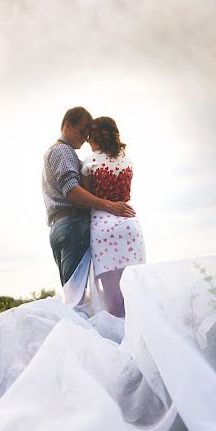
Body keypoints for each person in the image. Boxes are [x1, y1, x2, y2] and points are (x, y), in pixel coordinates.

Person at [41, 107, 135, 290]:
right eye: (82, 131)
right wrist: (108, 205)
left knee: (71, 291)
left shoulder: (52, 151)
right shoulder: (63, 151)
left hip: (60, 225)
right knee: (77, 294)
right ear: (68, 125)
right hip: (72, 224)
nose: (85, 138)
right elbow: (71, 190)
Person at [81, 116, 145, 317]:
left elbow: (87, 198)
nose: (87, 141)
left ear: (96, 138)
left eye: (89, 136)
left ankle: (118, 343)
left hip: (103, 230)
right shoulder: (128, 162)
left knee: (113, 302)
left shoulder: (89, 161)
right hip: (129, 227)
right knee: (133, 294)